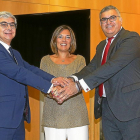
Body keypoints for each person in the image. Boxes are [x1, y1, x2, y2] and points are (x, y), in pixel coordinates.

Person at [53, 5, 140, 140]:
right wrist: (71, 80)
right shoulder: (101, 46)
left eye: (112, 18)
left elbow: (112, 66)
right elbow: (91, 67)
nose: (108, 22)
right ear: (100, 24)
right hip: (107, 108)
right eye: (104, 20)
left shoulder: (131, 39)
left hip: (130, 108)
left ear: (120, 20)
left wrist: (79, 86)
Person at [0, 11, 66, 140]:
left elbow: (30, 69)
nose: (9, 28)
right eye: (4, 24)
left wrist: (53, 79)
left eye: (12, 25)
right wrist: (50, 88)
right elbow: (19, 73)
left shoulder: (14, 53)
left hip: (17, 118)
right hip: (3, 119)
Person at [40, 25, 89, 140]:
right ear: (54, 40)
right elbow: (42, 85)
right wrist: (53, 93)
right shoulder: (45, 60)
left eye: (68, 37)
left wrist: (61, 90)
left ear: (71, 41)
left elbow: (82, 83)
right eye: (60, 36)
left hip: (78, 117)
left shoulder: (80, 60)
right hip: (53, 117)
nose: (64, 40)